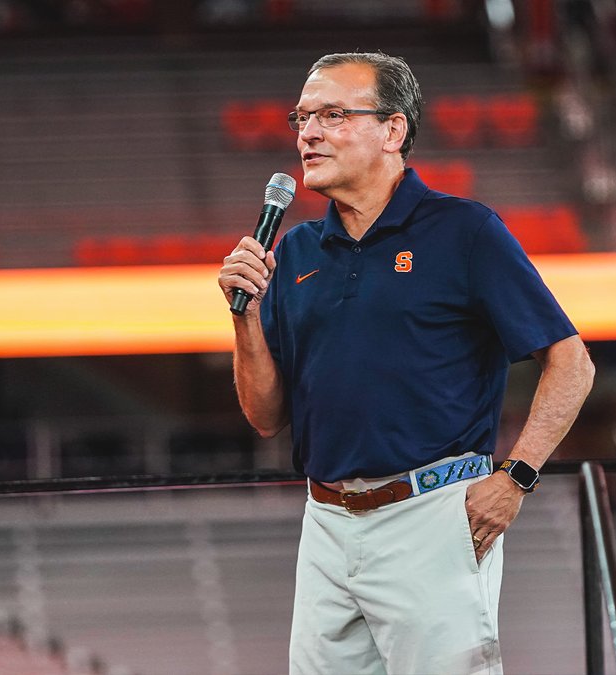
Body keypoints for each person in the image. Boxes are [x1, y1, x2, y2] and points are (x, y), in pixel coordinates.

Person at [217, 52, 595, 674]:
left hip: (433, 514)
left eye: (333, 114)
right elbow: (264, 416)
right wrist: (245, 318)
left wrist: (516, 478)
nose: (307, 133)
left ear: (393, 131)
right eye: (302, 117)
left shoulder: (464, 231)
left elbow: (571, 363)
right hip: (325, 520)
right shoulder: (295, 248)